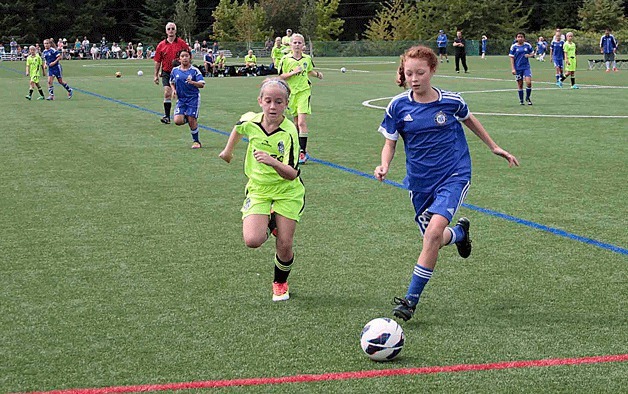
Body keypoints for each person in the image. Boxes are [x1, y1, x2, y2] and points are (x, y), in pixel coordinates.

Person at [374, 45, 519, 322]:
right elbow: (389, 142)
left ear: (432, 70)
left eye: (420, 73)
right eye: (409, 73)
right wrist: (384, 165)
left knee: (431, 236)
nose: (414, 79)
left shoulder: (451, 101)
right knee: (435, 239)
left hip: (454, 175)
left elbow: (470, 120)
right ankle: (461, 234)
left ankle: (410, 301)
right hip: (419, 182)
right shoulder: (397, 106)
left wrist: (494, 146)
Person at [219, 78, 305, 302]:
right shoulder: (252, 121)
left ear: (287, 104)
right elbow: (239, 127)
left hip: (287, 191)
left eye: (279, 101)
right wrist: (228, 151)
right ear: (260, 102)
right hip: (258, 189)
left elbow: (293, 173)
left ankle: (280, 282)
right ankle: (272, 222)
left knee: (285, 244)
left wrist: (272, 161)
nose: (273, 106)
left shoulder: (289, 133)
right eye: (268, 101)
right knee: (252, 240)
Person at [278, 33, 323, 164]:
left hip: (304, 92)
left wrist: (317, 74)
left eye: (299, 43)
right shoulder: (285, 59)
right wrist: (293, 72)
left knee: (302, 123)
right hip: (291, 94)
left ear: (303, 45)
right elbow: (281, 76)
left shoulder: (307, 58)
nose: (297, 45)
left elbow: (308, 71)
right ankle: (296, 148)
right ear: (290, 44)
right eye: (295, 43)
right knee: (296, 124)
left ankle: (302, 152)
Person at [154, 22, 190, 124]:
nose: (171, 30)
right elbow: (157, 61)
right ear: (166, 31)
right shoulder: (161, 45)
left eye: (172, 28)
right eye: (169, 29)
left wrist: (184, 64)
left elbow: (188, 56)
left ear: (175, 30)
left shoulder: (182, 43)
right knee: (167, 93)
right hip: (166, 72)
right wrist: (156, 75)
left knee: (182, 94)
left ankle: (186, 114)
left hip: (180, 72)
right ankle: (167, 116)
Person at [169, 49, 205, 149]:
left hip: (193, 99)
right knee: (177, 121)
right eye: (182, 56)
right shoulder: (175, 70)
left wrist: (193, 82)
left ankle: (196, 141)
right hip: (181, 100)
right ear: (179, 59)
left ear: (190, 58)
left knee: (191, 119)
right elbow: (171, 82)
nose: (185, 58)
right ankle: (189, 118)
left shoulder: (194, 71)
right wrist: (174, 90)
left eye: (186, 56)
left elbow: (202, 84)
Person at [509, 32, 536, 105]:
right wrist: (513, 68)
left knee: (528, 82)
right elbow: (511, 57)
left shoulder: (527, 45)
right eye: (518, 37)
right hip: (518, 68)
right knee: (520, 84)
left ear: (524, 38)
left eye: (521, 37)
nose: (520, 38)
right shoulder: (514, 47)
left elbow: (533, 54)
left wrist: (529, 55)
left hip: (526, 67)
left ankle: (527, 98)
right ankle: (521, 100)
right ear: (516, 38)